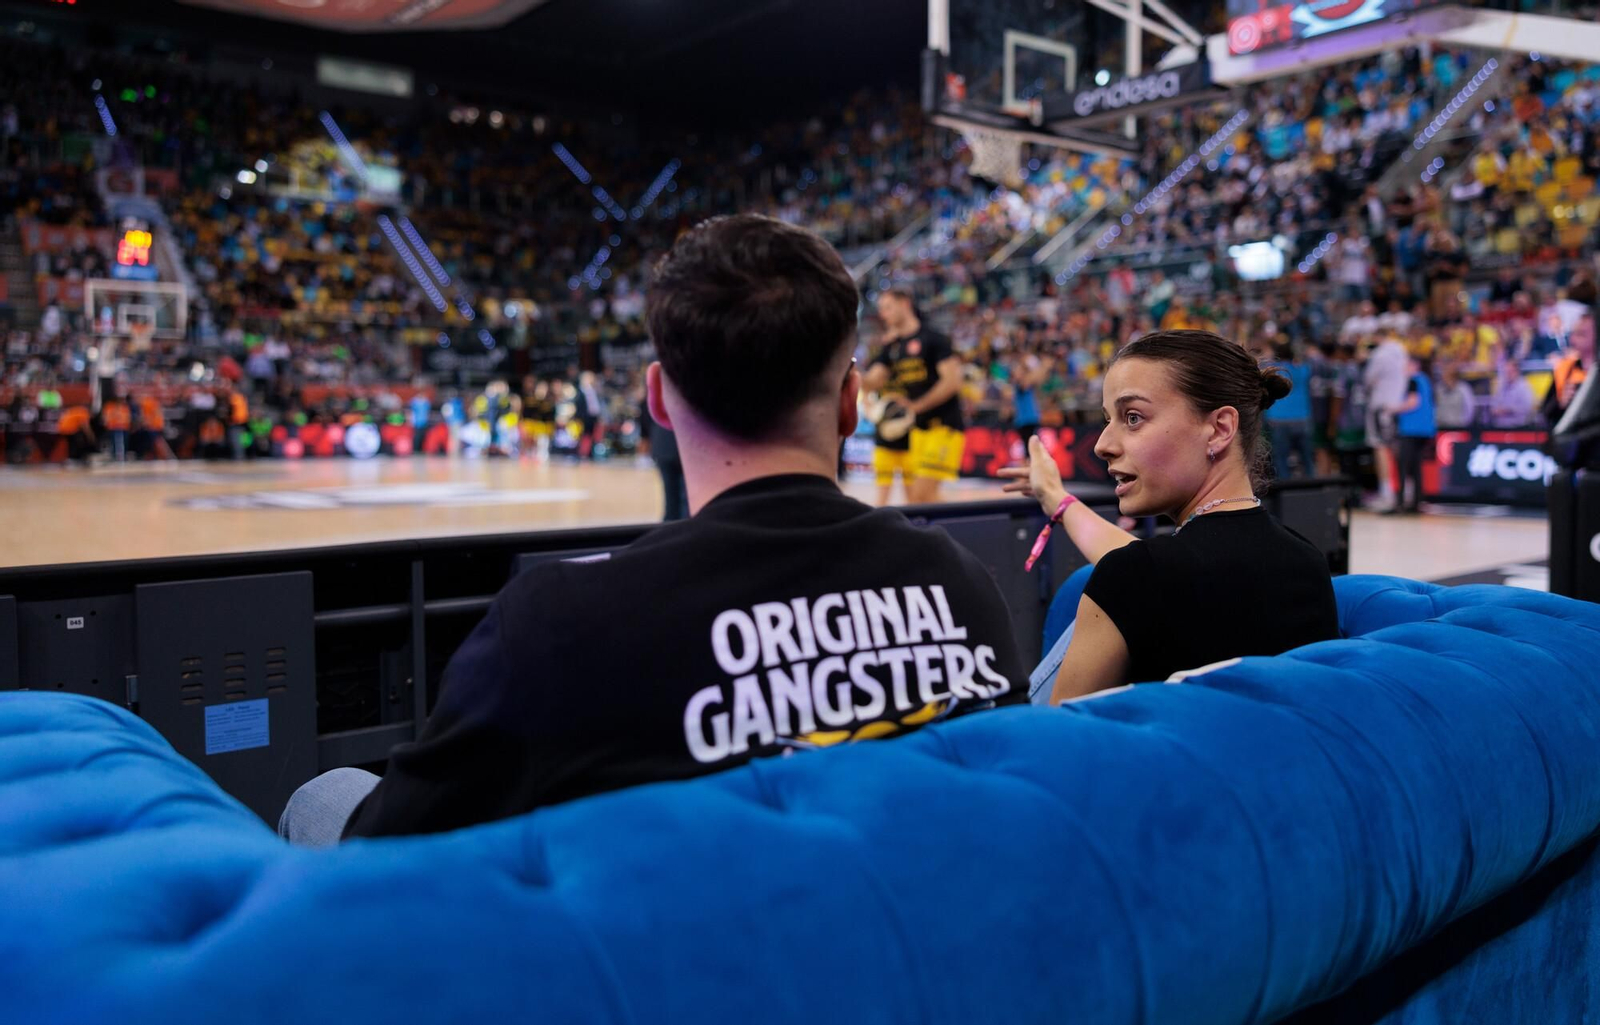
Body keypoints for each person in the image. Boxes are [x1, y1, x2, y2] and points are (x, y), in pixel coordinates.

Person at [279, 214, 1027, 844]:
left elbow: (399, 850)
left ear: (659, 401)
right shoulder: (963, 584)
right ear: (850, 403)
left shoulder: (559, 624)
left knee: (324, 795)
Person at [1000, 330, 1338, 703]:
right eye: (1108, 419)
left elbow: (1053, 746)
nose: (1102, 445)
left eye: (1132, 417)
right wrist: (1056, 499)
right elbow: (1154, 567)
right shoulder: (1307, 561)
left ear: (1219, 429)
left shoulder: (1137, 579)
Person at [864, 290, 966, 503]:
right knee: (919, 501)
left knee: (921, 496)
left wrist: (916, 406)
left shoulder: (934, 339)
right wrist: (846, 370)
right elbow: (874, 380)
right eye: (881, 309)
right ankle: (958, 531)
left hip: (943, 426)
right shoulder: (892, 347)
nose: (883, 314)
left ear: (905, 304)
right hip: (917, 432)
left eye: (888, 307)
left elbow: (952, 382)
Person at [1363, 333, 1411, 510]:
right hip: (1398, 406)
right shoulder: (1402, 352)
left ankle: (1386, 493)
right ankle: (1405, 491)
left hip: (1380, 406)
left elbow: (1368, 380)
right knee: (1397, 449)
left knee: (1381, 448)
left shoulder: (1380, 354)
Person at [1263, 342, 1316, 480]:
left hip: (1279, 419)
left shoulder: (1274, 372)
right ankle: (1312, 488)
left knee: (1281, 459)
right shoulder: (1302, 369)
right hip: (1302, 418)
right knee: (1306, 458)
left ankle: (1285, 492)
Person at [1393, 356, 1436, 515]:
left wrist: (1393, 409)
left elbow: (1413, 402)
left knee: (1403, 467)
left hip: (1411, 429)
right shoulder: (1426, 380)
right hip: (1424, 430)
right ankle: (1417, 501)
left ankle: (1401, 502)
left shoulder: (1413, 381)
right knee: (1416, 467)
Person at [1489, 356, 1536, 427]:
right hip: (1500, 427)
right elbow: (1494, 405)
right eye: (1506, 372)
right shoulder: (1502, 386)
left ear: (1516, 371)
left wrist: (1507, 410)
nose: (1507, 375)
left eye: (1509, 372)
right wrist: (1495, 410)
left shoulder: (1524, 387)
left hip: (1518, 427)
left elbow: (1527, 408)